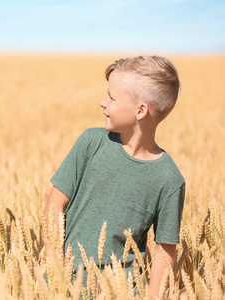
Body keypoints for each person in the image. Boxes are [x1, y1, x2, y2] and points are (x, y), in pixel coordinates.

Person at [44, 55, 185, 296]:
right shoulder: (91, 142)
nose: (102, 102)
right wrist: (55, 269)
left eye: (111, 97)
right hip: (63, 283)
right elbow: (54, 205)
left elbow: (164, 250)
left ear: (141, 110)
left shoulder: (170, 179)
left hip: (120, 292)